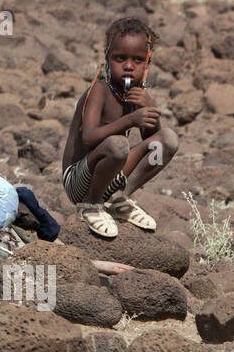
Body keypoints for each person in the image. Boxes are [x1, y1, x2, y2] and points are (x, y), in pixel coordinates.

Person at [60, 16, 179, 238]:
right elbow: (89, 138)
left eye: (137, 60)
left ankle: (119, 198)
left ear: (148, 62)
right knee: (118, 144)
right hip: (78, 181)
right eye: (120, 58)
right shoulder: (100, 89)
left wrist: (149, 107)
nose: (128, 67)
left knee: (168, 139)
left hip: (109, 178)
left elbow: (152, 146)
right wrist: (130, 120)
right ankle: (91, 206)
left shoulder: (137, 94)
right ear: (107, 58)